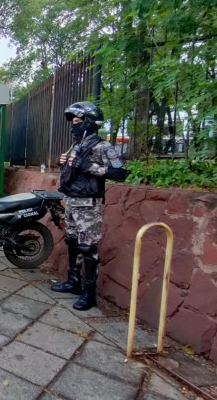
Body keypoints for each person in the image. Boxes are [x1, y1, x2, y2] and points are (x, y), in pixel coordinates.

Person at [52, 101, 127, 311]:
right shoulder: (77, 145)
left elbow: (120, 172)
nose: (73, 125)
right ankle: (73, 281)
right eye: (73, 122)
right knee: (72, 242)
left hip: (88, 205)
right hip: (72, 201)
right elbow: (73, 170)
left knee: (88, 248)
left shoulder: (103, 146)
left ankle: (89, 293)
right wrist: (65, 164)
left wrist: (89, 166)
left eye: (77, 121)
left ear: (88, 122)